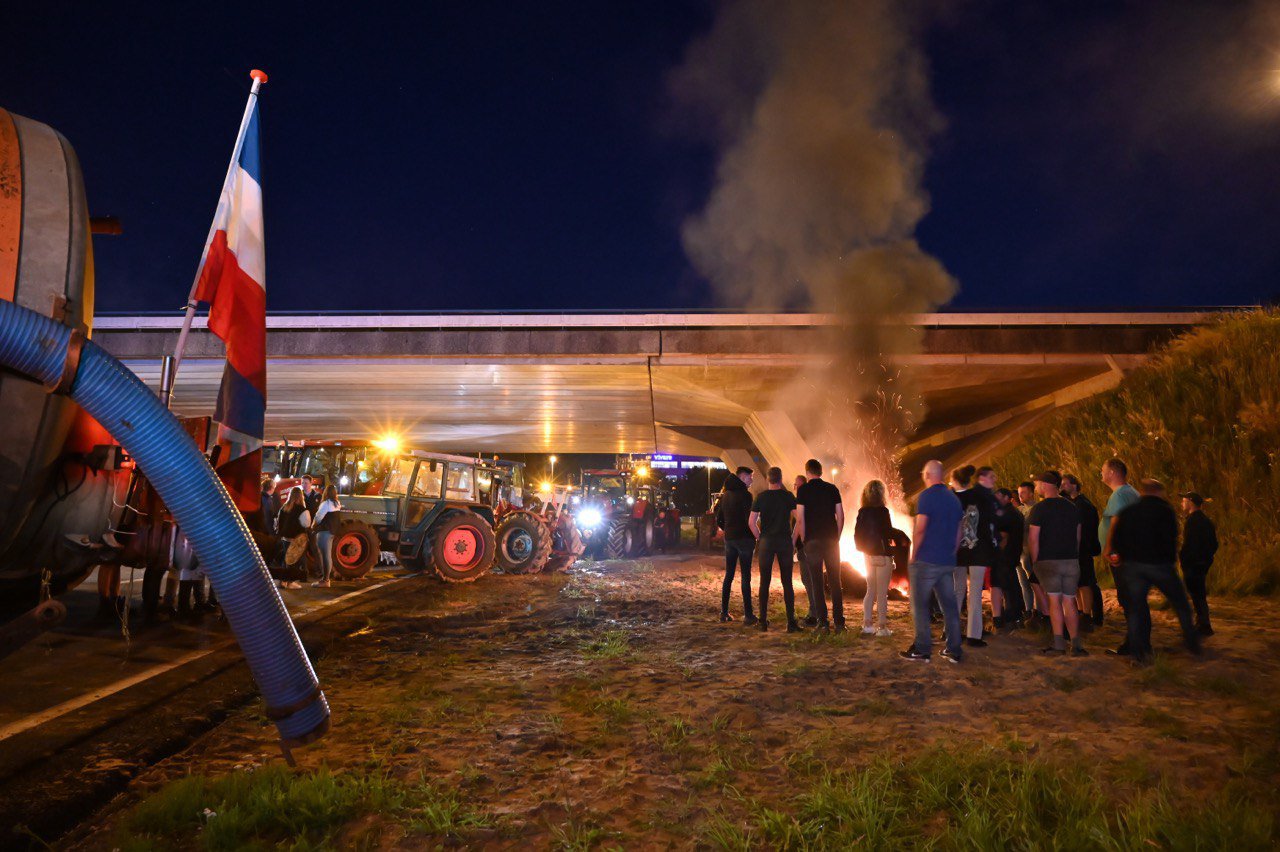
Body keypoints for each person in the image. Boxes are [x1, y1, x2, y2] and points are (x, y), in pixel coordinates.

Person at [1108, 480, 1201, 664]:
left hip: (1134, 566)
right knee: (1181, 604)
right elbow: (1172, 536)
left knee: (1136, 609)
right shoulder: (1165, 511)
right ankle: (1192, 643)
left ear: (1142, 492)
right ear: (1158, 492)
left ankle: (1138, 653)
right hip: (1160, 565)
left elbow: (1118, 535)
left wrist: (1120, 555)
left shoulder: (1129, 511)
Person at [900, 460, 964, 663]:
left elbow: (920, 529)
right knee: (949, 606)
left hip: (926, 560)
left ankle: (922, 648)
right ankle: (954, 649)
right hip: (947, 561)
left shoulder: (926, 496)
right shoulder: (953, 499)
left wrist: (914, 555)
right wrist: (953, 550)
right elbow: (959, 528)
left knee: (920, 606)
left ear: (928, 475)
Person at [1028, 470, 1085, 655]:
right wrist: (1073, 555)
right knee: (1070, 601)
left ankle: (1059, 644)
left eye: (1037, 484)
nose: (1036, 487)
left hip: (1049, 561)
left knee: (1054, 601)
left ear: (1045, 485)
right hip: (1070, 560)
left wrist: (1035, 562)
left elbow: (1033, 538)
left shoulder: (1039, 509)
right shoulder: (1072, 507)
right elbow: (1077, 536)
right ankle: (1076, 644)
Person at [795, 459, 845, 632]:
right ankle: (839, 622)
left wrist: (803, 539)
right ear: (821, 471)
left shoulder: (803, 490)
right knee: (835, 582)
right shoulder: (832, 489)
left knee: (816, 582)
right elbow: (841, 516)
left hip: (812, 541)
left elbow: (800, 518)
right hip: (831, 541)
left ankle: (823, 623)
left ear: (808, 472)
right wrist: (837, 537)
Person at [749, 466, 799, 632]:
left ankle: (763, 621)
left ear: (768, 479)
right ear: (781, 478)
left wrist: (760, 537)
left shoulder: (761, 497)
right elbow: (799, 519)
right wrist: (792, 539)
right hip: (784, 541)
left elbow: (751, 522)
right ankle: (791, 622)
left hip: (766, 542)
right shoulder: (788, 496)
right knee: (787, 583)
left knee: (765, 581)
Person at [1099, 458, 1141, 655]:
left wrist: (1109, 548)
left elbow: (1116, 522)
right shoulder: (1131, 492)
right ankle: (1132, 641)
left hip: (1121, 555)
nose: (1101, 474)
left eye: (1103, 470)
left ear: (1112, 473)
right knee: (1131, 599)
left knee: (1128, 598)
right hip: (1131, 553)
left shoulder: (1120, 494)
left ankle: (1135, 643)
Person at [955, 465, 999, 647]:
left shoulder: (961, 495)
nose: (994, 480)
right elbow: (991, 526)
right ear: (982, 478)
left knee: (957, 592)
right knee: (974, 593)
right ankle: (974, 635)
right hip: (979, 550)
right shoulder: (987, 498)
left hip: (959, 549)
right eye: (992, 477)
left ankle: (950, 631)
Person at [715, 466, 757, 624]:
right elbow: (750, 519)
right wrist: (755, 534)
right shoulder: (746, 495)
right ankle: (748, 615)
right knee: (746, 577)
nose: (751, 480)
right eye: (750, 476)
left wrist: (728, 529)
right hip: (745, 539)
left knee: (729, 575)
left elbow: (718, 518)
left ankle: (724, 613)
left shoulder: (725, 495)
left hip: (730, 539)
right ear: (742, 477)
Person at [1061, 474, 1103, 627]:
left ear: (1074, 485)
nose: (1062, 487)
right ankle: (1082, 612)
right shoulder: (1075, 503)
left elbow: (1083, 530)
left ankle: (1088, 614)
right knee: (1078, 583)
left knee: (1086, 582)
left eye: (1066, 484)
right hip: (1078, 549)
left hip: (1083, 549)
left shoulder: (1082, 505)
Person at [854, 479, 894, 637]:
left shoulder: (862, 511)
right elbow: (888, 532)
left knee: (870, 590)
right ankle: (882, 628)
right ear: (882, 494)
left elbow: (857, 534)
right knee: (882, 593)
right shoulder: (883, 511)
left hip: (868, 555)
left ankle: (867, 625)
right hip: (883, 556)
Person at [1178, 491, 1218, 636]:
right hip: (1203, 563)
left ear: (1190, 502)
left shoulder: (1193, 521)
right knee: (1198, 593)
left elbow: (1190, 544)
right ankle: (1202, 623)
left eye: (1183, 500)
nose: (1181, 503)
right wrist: (1207, 559)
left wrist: (1185, 559)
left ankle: (1204, 625)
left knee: (1197, 594)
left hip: (1194, 564)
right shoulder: (1206, 521)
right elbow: (1214, 544)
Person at [992, 487, 1025, 628]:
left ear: (1007, 498)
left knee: (1007, 586)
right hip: (1013, 553)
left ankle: (1012, 615)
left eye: (998, 497)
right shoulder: (1014, 512)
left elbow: (1003, 537)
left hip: (1005, 555)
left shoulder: (1007, 514)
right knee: (1012, 584)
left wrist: (996, 552)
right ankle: (1016, 613)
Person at [1016, 480, 1047, 623]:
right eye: (1019, 493)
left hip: (1032, 550)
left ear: (1031, 493)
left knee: (1035, 582)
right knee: (1024, 583)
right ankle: (1028, 610)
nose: (1020, 496)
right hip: (1020, 549)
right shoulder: (1020, 510)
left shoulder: (1037, 508)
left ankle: (1039, 610)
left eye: (1023, 493)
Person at [276, 486, 312, 590]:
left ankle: (283, 581)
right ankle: (290, 582)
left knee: (285, 560)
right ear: (301, 496)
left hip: (285, 538)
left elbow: (279, 522)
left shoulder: (284, 507)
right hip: (296, 539)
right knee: (294, 561)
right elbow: (307, 524)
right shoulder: (302, 510)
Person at [793, 473, 817, 625]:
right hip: (811, 545)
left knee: (809, 580)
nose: (795, 488)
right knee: (810, 579)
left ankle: (814, 614)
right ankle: (815, 612)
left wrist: (794, 541)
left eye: (797, 485)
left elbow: (799, 522)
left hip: (806, 546)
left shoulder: (802, 501)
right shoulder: (812, 500)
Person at [311, 485, 342, 588]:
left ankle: (325, 580)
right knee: (327, 555)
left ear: (326, 492)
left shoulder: (326, 504)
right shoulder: (337, 503)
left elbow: (318, 517)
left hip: (324, 531)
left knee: (324, 556)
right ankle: (326, 579)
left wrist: (312, 526)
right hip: (332, 532)